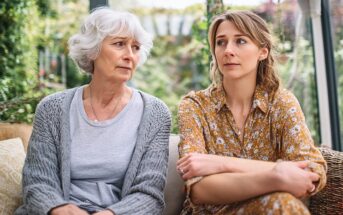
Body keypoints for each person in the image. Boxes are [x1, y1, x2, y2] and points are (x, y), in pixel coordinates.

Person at [15, 7, 171, 215]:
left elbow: (149, 195)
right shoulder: (52, 108)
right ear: (92, 50)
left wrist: (109, 214)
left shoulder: (155, 113)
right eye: (119, 44)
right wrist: (59, 209)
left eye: (135, 47)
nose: (129, 55)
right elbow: (37, 182)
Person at [177, 10, 326, 215]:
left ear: (262, 52)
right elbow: (197, 190)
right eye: (221, 42)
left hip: (271, 209)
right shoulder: (194, 106)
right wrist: (275, 175)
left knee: (280, 203)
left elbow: (312, 172)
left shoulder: (281, 102)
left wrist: (220, 164)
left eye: (240, 41)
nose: (228, 50)